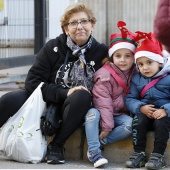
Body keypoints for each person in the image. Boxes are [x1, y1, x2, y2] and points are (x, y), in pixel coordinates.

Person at [0, 2, 108, 164]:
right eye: (73, 23)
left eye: (84, 21)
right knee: (9, 99)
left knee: (82, 96)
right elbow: (32, 82)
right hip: (46, 97)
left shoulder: (101, 51)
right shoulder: (53, 47)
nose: (79, 27)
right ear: (65, 28)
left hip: (75, 105)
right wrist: (63, 92)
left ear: (92, 25)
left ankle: (56, 145)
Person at [85, 21, 140, 168]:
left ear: (133, 57)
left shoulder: (136, 73)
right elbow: (103, 101)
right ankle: (94, 151)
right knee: (91, 115)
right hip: (99, 111)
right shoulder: (104, 75)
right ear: (112, 57)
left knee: (129, 124)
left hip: (118, 114)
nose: (123, 60)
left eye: (128, 56)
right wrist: (107, 126)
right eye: (118, 55)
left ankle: (102, 142)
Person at [125, 32, 170, 169]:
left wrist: (166, 110)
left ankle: (158, 156)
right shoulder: (137, 79)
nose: (145, 67)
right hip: (146, 113)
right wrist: (140, 107)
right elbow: (130, 98)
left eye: (149, 62)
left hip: (165, 116)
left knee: (161, 123)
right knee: (138, 119)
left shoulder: (168, 78)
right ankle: (139, 153)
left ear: (159, 61)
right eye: (140, 64)